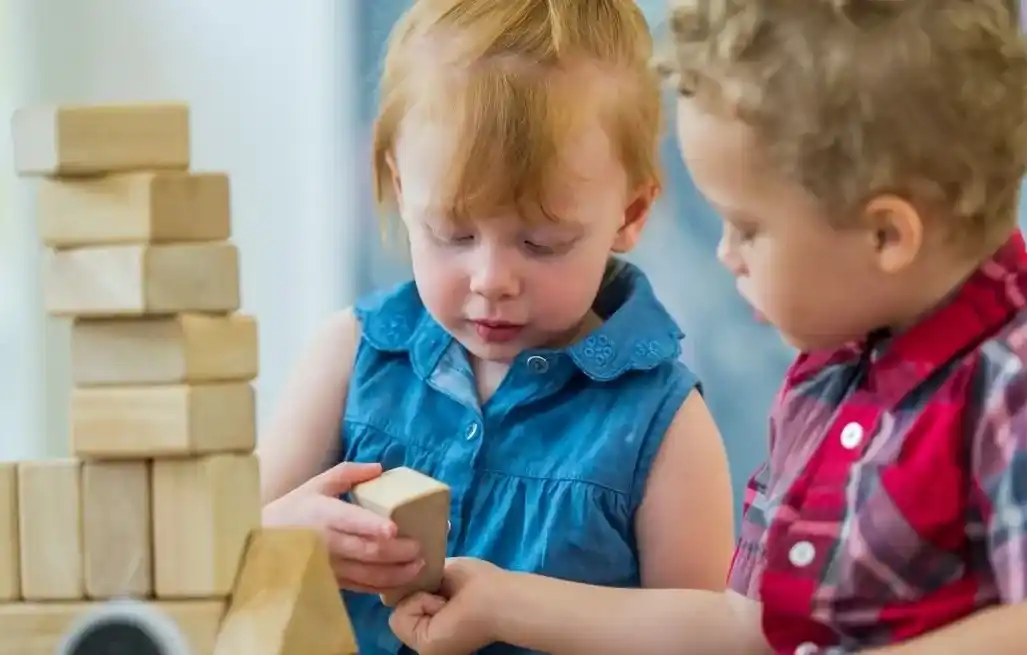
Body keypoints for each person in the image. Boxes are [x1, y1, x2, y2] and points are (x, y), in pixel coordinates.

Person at [387, 0, 1027, 653]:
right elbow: (748, 625)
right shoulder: (828, 389)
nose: (727, 254)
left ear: (887, 235)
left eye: (749, 227)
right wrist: (501, 601)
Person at [256, 0, 738, 653]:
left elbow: (708, 637)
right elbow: (215, 557)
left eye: (541, 243)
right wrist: (284, 536)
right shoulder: (347, 356)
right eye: (452, 233)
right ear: (401, 189)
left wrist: (520, 609)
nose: (491, 278)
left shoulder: (663, 426)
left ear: (630, 211)